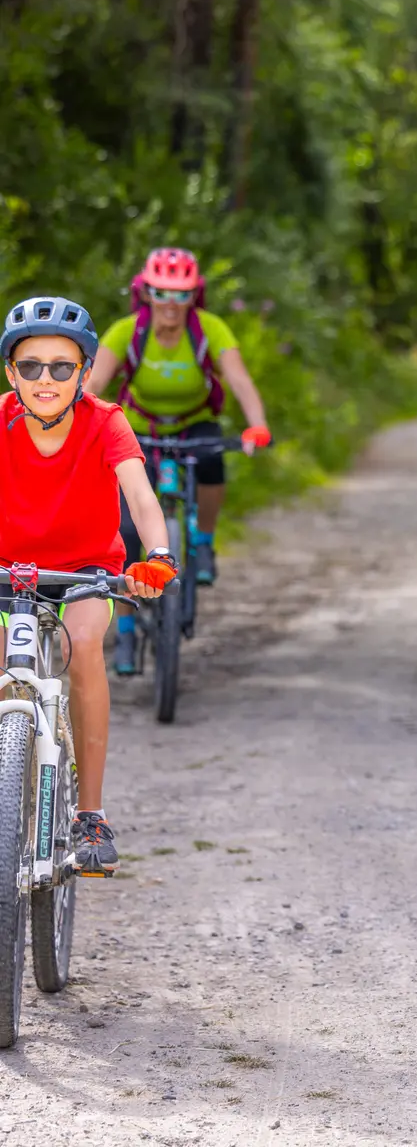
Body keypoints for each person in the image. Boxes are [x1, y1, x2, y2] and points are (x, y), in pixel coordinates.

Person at [0, 297, 179, 876]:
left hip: (83, 572)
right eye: (30, 366)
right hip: (7, 570)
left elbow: (143, 499)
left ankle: (89, 814)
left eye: (60, 366)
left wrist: (157, 555)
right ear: (11, 372)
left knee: (81, 648)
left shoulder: (106, 422)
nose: (44, 379)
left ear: (84, 372)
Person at [86, 247, 271, 674]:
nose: (170, 304)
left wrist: (256, 426)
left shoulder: (209, 330)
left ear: (194, 296)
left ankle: (203, 543)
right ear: (145, 293)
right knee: (128, 527)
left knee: (212, 463)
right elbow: (94, 384)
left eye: (181, 295)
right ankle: (127, 630)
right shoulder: (128, 332)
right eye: (161, 293)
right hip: (139, 428)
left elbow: (239, 380)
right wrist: (85, 431)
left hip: (194, 424)